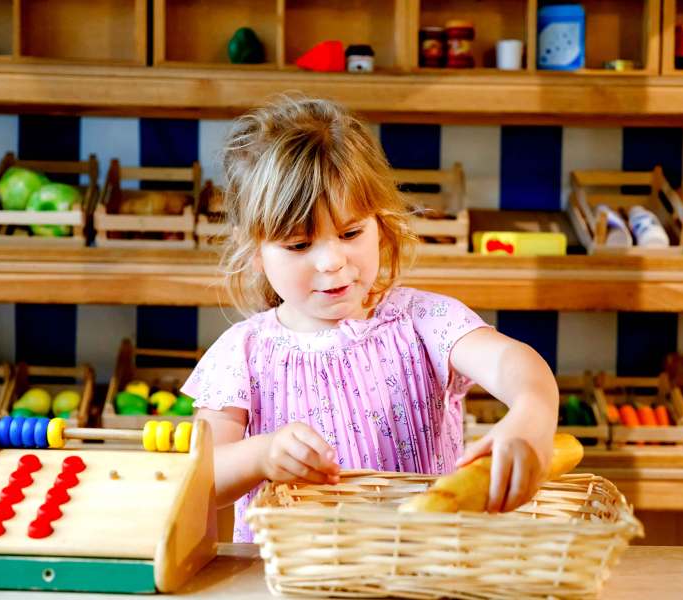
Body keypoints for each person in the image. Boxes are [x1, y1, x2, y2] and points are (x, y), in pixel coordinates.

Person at [181, 96, 559, 542]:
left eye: (350, 232)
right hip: (295, 581)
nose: (331, 262)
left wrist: (531, 414)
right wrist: (261, 456)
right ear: (256, 252)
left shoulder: (423, 321)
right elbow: (200, 477)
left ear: (381, 224)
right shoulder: (239, 353)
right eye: (299, 245)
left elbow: (513, 364)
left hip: (421, 573)